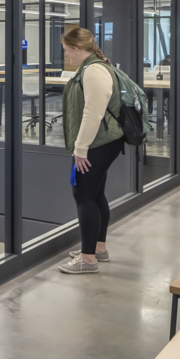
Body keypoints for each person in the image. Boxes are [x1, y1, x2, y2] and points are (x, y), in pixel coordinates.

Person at [57, 28, 125, 275]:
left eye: (66, 50)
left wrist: (80, 149)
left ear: (76, 48)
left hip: (98, 142)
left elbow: (92, 112)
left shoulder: (94, 71)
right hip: (103, 141)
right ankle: (98, 248)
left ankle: (87, 260)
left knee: (83, 195)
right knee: (95, 194)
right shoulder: (92, 68)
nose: (66, 55)